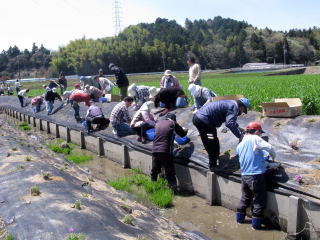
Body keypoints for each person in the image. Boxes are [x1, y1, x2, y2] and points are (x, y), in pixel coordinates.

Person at [236, 122, 276, 230]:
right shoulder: (254, 138)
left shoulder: (240, 144)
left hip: (244, 176)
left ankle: (239, 221)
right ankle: (256, 226)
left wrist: (268, 164)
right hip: (256, 176)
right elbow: (270, 148)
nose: (260, 135)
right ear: (257, 131)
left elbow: (253, 159)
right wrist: (273, 157)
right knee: (259, 200)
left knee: (245, 198)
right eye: (260, 133)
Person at [192, 98, 249, 171]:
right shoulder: (234, 107)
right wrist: (239, 135)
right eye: (243, 110)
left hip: (198, 118)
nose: (242, 112)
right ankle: (213, 166)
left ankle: (214, 157)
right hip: (205, 121)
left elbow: (230, 119)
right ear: (241, 107)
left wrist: (238, 127)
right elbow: (229, 123)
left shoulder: (230, 102)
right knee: (213, 142)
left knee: (208, 139)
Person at [151, 113, 188, 188]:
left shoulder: (158, 123)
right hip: (165, 150)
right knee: (169, 170)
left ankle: (153, 185)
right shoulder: (173, 123)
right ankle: (173, 189)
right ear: (174, 119)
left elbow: (162, 136)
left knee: (155, 169)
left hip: (154, 149)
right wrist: (186, 130)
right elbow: (182, 134)